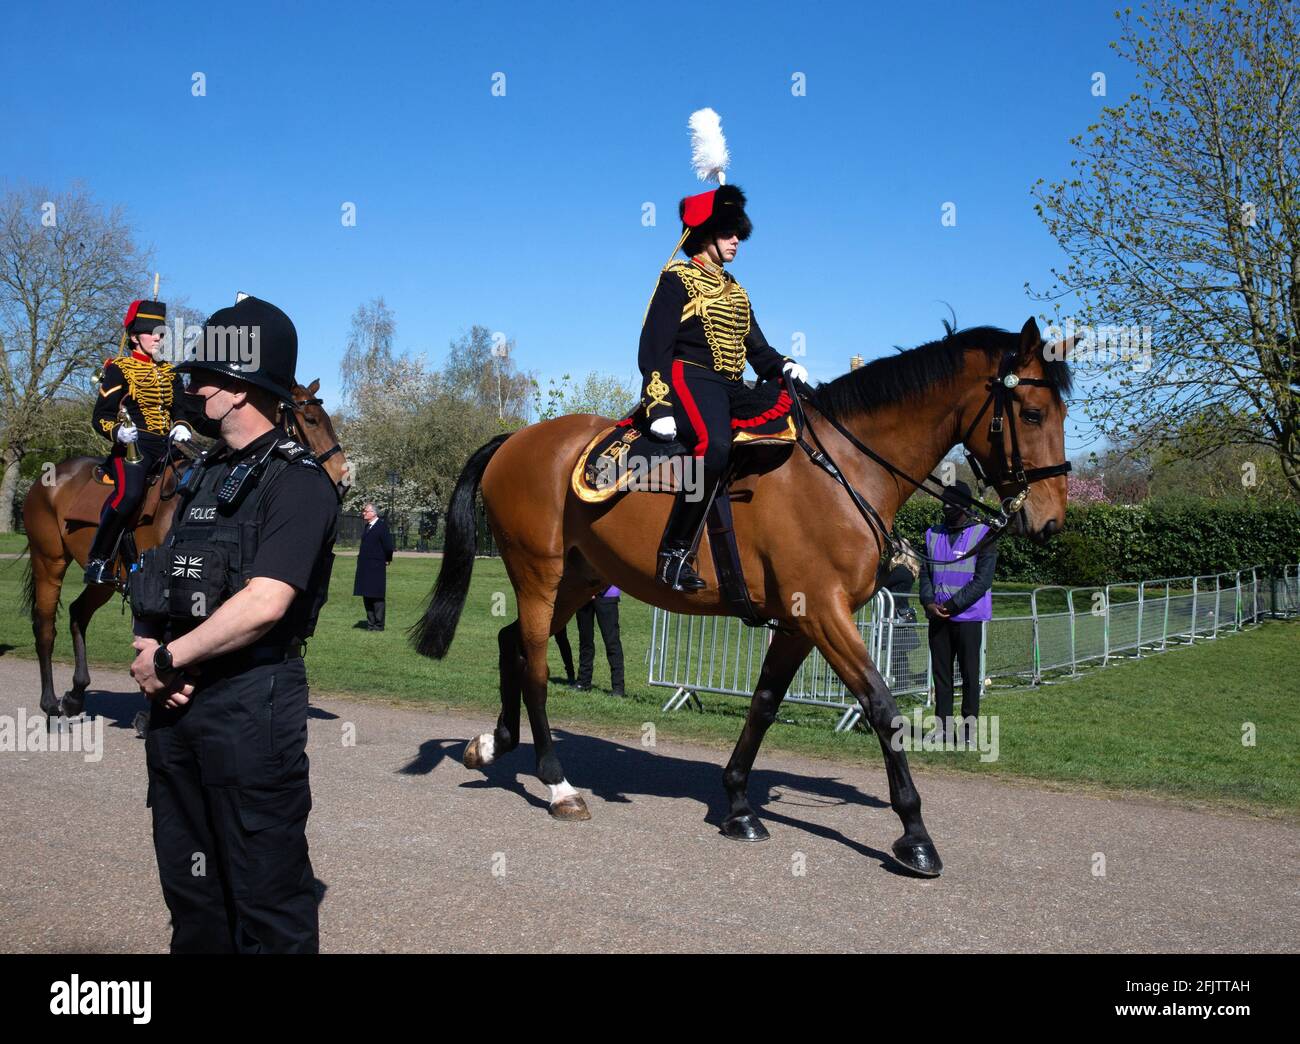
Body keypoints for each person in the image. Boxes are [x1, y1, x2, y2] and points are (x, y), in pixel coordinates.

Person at [127, 294, 339, 953]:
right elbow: (167, 576)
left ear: (244, 387)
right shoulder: (201, 476)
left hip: (251, 709)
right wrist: (149, 643)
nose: (195, 387)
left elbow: (265, 602)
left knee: (267, 903)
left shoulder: (298, 482)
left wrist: (168, 660)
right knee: (193, 900)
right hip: (177, 710)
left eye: (208, 375)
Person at [639, 181, 807, 591]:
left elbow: (758, 350)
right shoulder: (676, 280)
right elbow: (653, 347)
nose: (736, 241)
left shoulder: (737, 291)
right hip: (688, 377)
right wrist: (657, 403)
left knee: (796, 418)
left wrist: (784, 365)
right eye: (729, 233)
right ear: (706, 234)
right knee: (713, 447)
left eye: (738, 234)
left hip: (733, 384)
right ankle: (674, 554)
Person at [84, 299, 197, 585]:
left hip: (167, 446)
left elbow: (180, 409)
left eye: (161, 332)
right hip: (133, 448)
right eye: (151, 332)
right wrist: (117, 433)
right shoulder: (119, 368)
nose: (158, 337)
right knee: (129, 495)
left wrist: (182, 425)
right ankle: (97, 560)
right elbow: (101, 416)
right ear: (135, 337)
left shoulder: (170, 372)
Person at [918, 481, 998, 744]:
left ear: (965, 506)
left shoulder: (984, 535)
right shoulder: (932, 534)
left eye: (951, 503)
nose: (945, 507)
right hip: (937, 617)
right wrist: (928, 602)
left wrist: (951, 606)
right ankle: (942, 728)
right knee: (941, 676)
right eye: (944, 501)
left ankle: (969, 732)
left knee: (969, 676)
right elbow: (926, 574)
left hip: (968, 618)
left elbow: (982, 581)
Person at [573, 585, 625, 696]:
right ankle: (583, 682)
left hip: (607, 595)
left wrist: (595, 589)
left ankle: (618, 687)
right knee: (585, 641)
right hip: (584, 595)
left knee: (612, 642)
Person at [354, 502, 394, 631]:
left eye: (366, 511)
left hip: (376, 566)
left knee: (376, 595)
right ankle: (370, 624)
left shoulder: (381, 527)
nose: (363, 513)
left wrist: (387, 559)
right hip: (365, 566)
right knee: (367, 594)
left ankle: (379, 624)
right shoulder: (367, 527)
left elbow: (388, 546)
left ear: (373, 513)